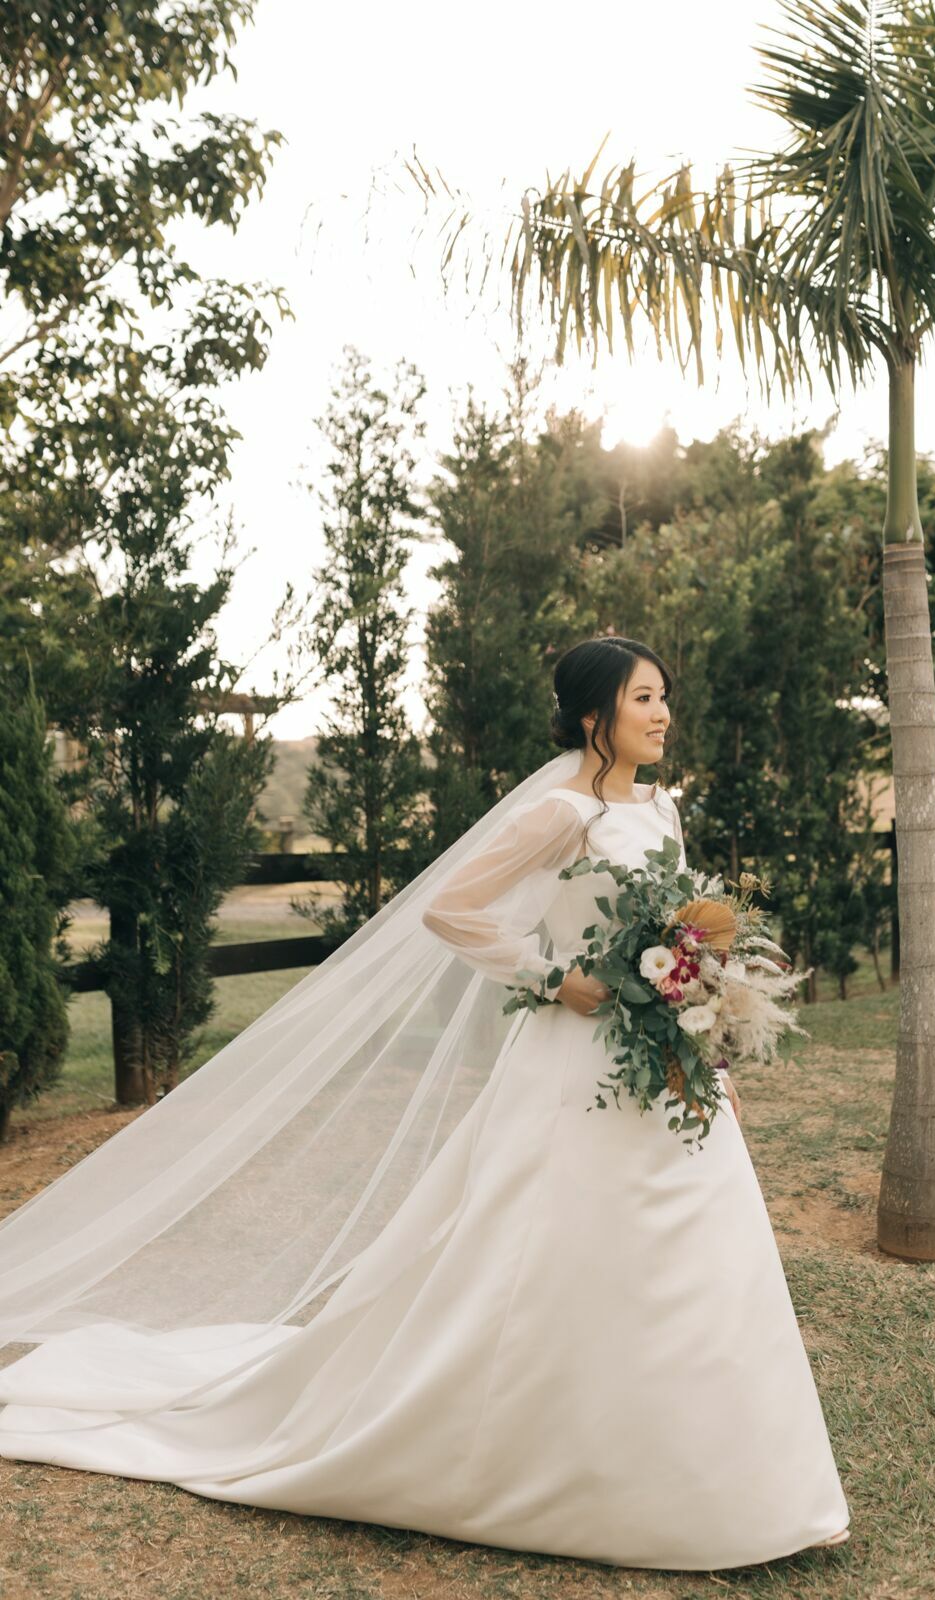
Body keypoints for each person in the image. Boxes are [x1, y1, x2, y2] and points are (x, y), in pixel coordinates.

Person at [0, 635, 850, 1571]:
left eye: (663, 698)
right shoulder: (560, 813)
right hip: (573, 1059)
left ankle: (723, 1471)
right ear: (589, 714)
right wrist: (550, 974)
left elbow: (678, 922)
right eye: (643, 699)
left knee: (697, 1249)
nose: (661, 715)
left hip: (666, 1063)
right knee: (541, 1244)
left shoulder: (660, 808)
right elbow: (452, 911)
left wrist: (701, 987)